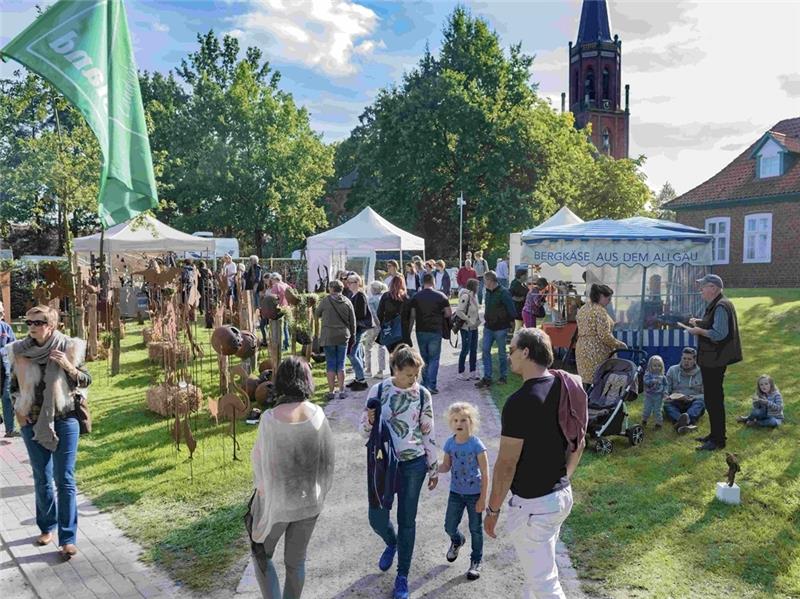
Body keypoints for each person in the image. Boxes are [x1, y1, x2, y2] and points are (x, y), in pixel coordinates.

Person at [485, 328, 586, 599]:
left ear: (526, 351)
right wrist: (563, 476)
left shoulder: (520, 403)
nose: (509, 357)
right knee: (538, 573)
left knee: (545, 586)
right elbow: (580, 442)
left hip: (534, 507)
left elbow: (506, 465)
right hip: (560, 498)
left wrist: (492, 510)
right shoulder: (566, 386)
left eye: (511, 350)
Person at [7, 306, 91, 558]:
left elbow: (86, 380)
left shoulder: (68, 347)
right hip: (32, 422)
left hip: (65, 419)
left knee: (63, 478)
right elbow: (12, 386)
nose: (31, 326)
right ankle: (46, 527)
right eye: (29, 321)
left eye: (38, 322)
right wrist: (20, 413)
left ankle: (68, 537)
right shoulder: (20, 351)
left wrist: (68, 366)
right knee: (42, 478)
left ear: (51, 325)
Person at [248, 356, 335, 599]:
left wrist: (263, 495)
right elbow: (329, 460)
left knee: (261, 553)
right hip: (310, 501)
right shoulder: (318, 414)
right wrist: (320, 493)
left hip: (278, 503)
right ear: (305, 381)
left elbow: (260, 462)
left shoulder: (270, 419)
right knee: (296, 563)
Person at [361, 345, 439, 599]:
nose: (413, 380)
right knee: (377, 518)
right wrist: (370, 420)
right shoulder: (379, 390)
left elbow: (428, 432)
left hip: (413, 464)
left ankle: (402, 576)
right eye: (408, 375)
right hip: (383, 463)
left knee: (408, 521)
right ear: (395, 369)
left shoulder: (423, 395)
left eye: (416, 375)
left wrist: (433, 467)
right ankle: (391, 542)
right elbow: (363, 431)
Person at [686, 274, 742, 451]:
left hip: (715, 360)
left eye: (703, 286)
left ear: (714, 288)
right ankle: (715, 435)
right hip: (713, 358)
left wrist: (699, 331)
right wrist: (700, 322)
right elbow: (714, 325)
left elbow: (719, 334)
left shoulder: (720, 306)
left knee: (714, 400)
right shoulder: (719, 303)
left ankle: (718, 440)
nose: (701, 289)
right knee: (712, 399)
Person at [438, 402, 488, 581]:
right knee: (449, 526)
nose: (459, 423)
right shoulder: (450, 444)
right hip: (456, 493)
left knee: (476, 528)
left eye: (464, 420)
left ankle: (476, 561)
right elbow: (446, 465)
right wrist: (433, 468)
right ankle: (457, 540)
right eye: (455, 420)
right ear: (451, 423)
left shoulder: (476, 445)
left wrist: (483, 498)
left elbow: (485, 472)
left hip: (474, 494)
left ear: (471, 422)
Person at [575, 284, 627, 388]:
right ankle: (599, 402)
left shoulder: (583, 308)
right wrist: (619, 344)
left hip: (582, 348)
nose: (610, 301)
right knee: (600, 381)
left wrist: (614, 323)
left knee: (587, 381)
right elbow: (604, 336)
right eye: (608, 298)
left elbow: (592, 328)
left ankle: (587, 402)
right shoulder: (600, 311)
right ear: (601, 296)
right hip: (596, 350)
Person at [409, 273, 451, 394]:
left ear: (422, 282)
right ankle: (431, 385)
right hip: (435, 330)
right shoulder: (441, 296)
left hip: (421, 329)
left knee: (424, 357)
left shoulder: (416, 297)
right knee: (434, 358)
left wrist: (408, 331)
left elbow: (412, 315)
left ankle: (424, 383)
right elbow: (448, 313)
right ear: (433, 282)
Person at [315, 280, 356, 400]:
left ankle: (331, 391)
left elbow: (317, 314)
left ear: (331, 289)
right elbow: (352, 321)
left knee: (331, 364)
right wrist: (352, 336)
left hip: (328, 336)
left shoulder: (325, 301)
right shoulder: (347, 301)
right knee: (341, 364)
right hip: (343, 335)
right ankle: (342, 390)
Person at [476, 272, 516, 389]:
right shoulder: (488, 292)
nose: (484, 283)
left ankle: (503, 376)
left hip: (501, 328)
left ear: (490, 280)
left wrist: (508, 323)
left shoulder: (503, 292)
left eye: (485, 280)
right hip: (488, 327)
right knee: (485, 350)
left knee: (502, 353)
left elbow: (512, 310)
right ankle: (487, 377)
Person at [663, 347, 705, 434]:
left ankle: (683, 420)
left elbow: (707, 394)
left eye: (689, 359)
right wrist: (666, 395)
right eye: (684, 358)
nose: (686, 361)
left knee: (700, 403)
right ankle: (686, 423)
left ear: (694, 360)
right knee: (667, 406)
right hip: (676, 401)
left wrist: (694, 397)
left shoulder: (702, 372)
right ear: (681, 358)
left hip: (693, 401)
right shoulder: (672, 370)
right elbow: (666, 387)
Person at [345, 274, 372, 391]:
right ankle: (358, 378)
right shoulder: (354, 295)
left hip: (359, 328)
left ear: (357, 283)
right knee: (355, 353)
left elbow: (361, 313)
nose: (348, 284)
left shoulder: (360, 295)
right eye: (348, 282)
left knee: (351, 353)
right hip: (356, 328)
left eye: (350, 282)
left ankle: (361, 379)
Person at [377, 276, 413, 354]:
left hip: (389, 329)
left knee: (392, 354)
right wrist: (408, 331)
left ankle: (392, 366)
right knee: (401, 356)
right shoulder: (406, 298)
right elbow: (410, 317)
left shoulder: (386, 296)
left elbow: (379, 313)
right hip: (402, 331)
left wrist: (383, 324)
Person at [455, 279, 481, 381]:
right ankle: (461, 372)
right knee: (465, 349)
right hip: (466, 327)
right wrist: (468, 319)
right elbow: (459, 311)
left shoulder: (475, 297)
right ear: (473, 287)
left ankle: (472, 372)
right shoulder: (466, 296)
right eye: (477, 286)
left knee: (474, 349)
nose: (479, 288)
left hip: (474, 327)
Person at [363, 281, 389, 379]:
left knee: (368, 347)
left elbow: (373, 313)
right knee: (381, 348)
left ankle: (368, 369)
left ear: (374, 289)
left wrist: (377, 323)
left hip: (373, 326)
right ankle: (381, 370)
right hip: (383, 325)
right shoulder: (384, 298)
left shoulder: (371, 300)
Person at [1, 301, 18, 437]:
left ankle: (10, 429)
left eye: (1, 312)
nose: (1, 314)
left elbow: (13, 346)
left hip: (6, 368)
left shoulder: (6, 328)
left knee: (7, 397)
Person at [642, 355, 667, 429]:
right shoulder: (648, 374)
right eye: (654, 365)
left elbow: (666, 385)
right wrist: (652, 381)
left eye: (659, 366)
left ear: (662, 366)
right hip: (649, 395)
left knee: (657, 410)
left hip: (658, 396)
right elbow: (645, 382)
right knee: (647, 409)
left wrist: (665, 392)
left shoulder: (662, 376)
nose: (657, 367)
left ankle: (658, 423)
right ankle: (644, 419)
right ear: (650, 366)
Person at [269, 273, 291, 352]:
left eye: (271, 279)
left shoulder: (276, 286)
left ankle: (280, 345)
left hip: (279, 308)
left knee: (279, 328)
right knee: (286, 327)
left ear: (275, 279)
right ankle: (287, 344)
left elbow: (272, 299)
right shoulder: (286, 285)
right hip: (287, 307)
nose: (271, 281)